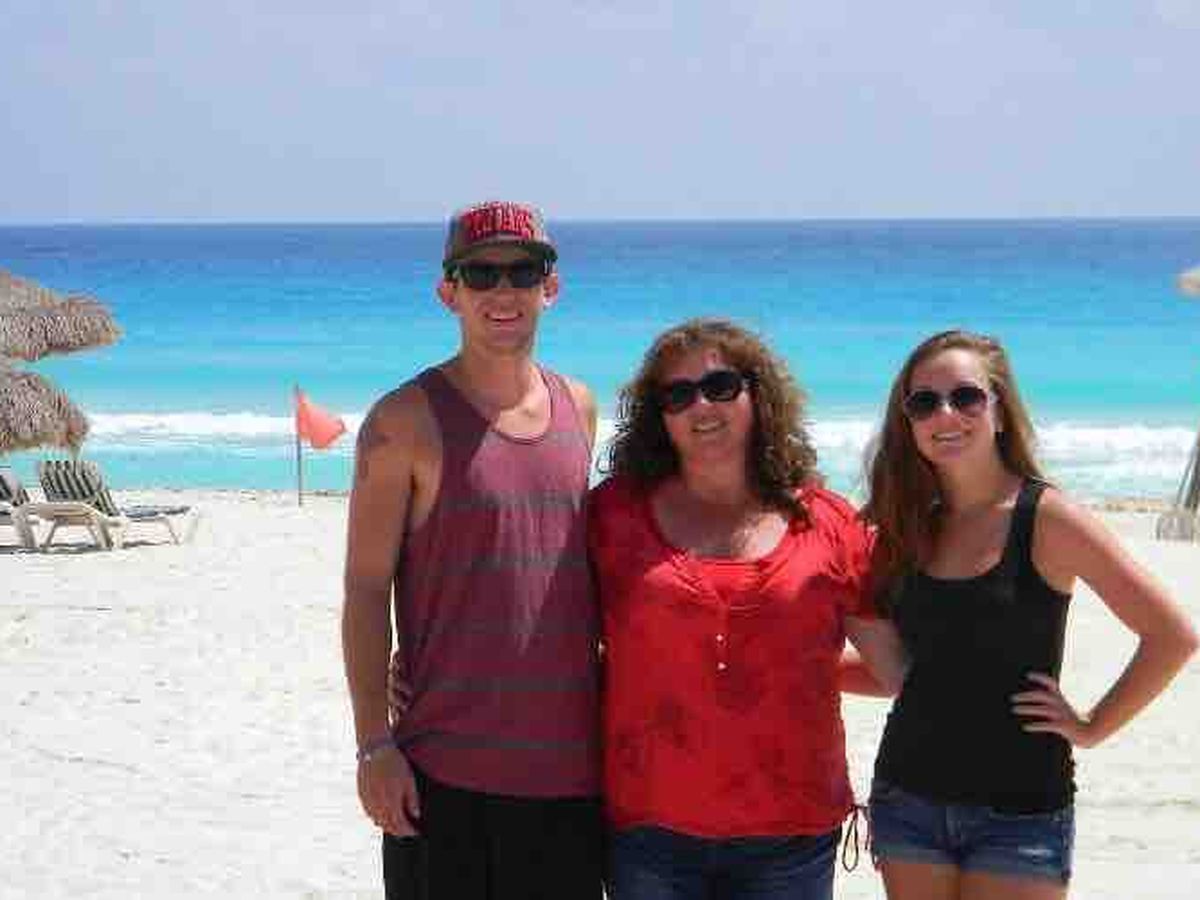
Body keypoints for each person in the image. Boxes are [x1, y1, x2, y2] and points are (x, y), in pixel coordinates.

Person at [861, 329, 1198, 900]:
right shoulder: (908, 524)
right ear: (908, 421)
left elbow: (1171, 635)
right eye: (924, 402)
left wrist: (1092, 726)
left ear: (998, 410)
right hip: (909, 800)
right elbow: (913, 669)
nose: (946, 414)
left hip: (1019, 812)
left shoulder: (1047, 518)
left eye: (966, 397)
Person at [588, 318, 906, 899]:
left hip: (789, 834)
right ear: (659, 416)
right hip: (649, 827)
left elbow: (895, 673)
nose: (701, 406)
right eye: (678, 394)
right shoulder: (613, 516)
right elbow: (552, 637)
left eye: (720, 386)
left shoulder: (827, 524)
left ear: (757, 395)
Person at [341, 200, 604, 900]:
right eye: (481, 274)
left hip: (570, 777)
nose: (502, 291)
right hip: (443, 777)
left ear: (551, 286)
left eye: (523, 271)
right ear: (448, 292)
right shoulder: (402, 422)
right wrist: (373, 744)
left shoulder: (579, 406)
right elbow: (365, 589)